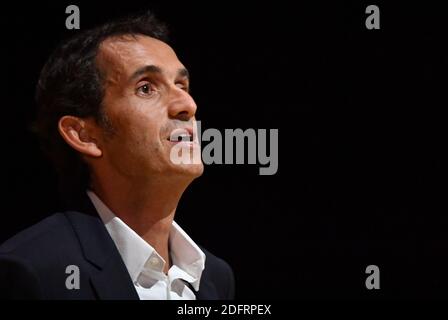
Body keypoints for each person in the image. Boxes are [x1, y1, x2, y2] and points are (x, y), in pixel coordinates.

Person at [0, 11, 235, 300]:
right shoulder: (34, 271)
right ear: (83, 134)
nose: (187, 105)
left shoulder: (214, 277)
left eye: (182, 85)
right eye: (146, 88)